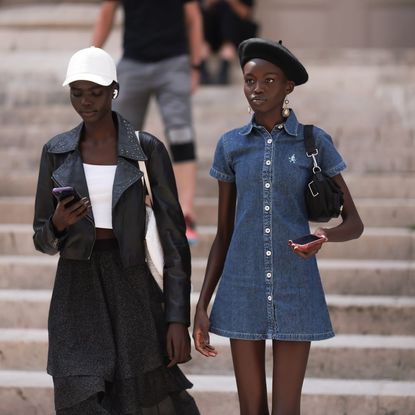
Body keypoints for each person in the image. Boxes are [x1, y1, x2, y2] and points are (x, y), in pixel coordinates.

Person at [193, 38, 364, 414]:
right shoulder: (231, 145)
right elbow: (224, 234)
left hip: (295, 286)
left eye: (269, 80)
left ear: (288, 86)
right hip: (241, 286)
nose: (257, 89)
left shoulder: (314, 142)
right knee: (251, 409)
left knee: (287, 409)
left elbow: (355, 223)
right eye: (250, 80)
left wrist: (324, 235)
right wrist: (202, 303)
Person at [33, 46, 200, 415]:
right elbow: (41, 239)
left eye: (95, 92)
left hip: (132, 286)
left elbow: (174, 242)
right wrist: (58, 224)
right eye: (77, 92)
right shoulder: (56, 152)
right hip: (75, 291)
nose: (86, 101)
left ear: (114, 90)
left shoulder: (147, 150)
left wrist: (177, 318)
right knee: (78, 395)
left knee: (145, 399)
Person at [92, 0, 204, 244]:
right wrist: (91, 58)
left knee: (181, 135)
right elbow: (107, 11)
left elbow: (193, 17)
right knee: (118, 136)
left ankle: (185, 212)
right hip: (133, 63)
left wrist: (196, 65)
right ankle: (120, 207)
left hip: (174, 63)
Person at [199, 0, 258, 85]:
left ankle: (226, 54)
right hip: (211, 34)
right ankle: (204, 54)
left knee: (227, 11)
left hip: (234, 33)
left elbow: (245, 13)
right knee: (203, 16)